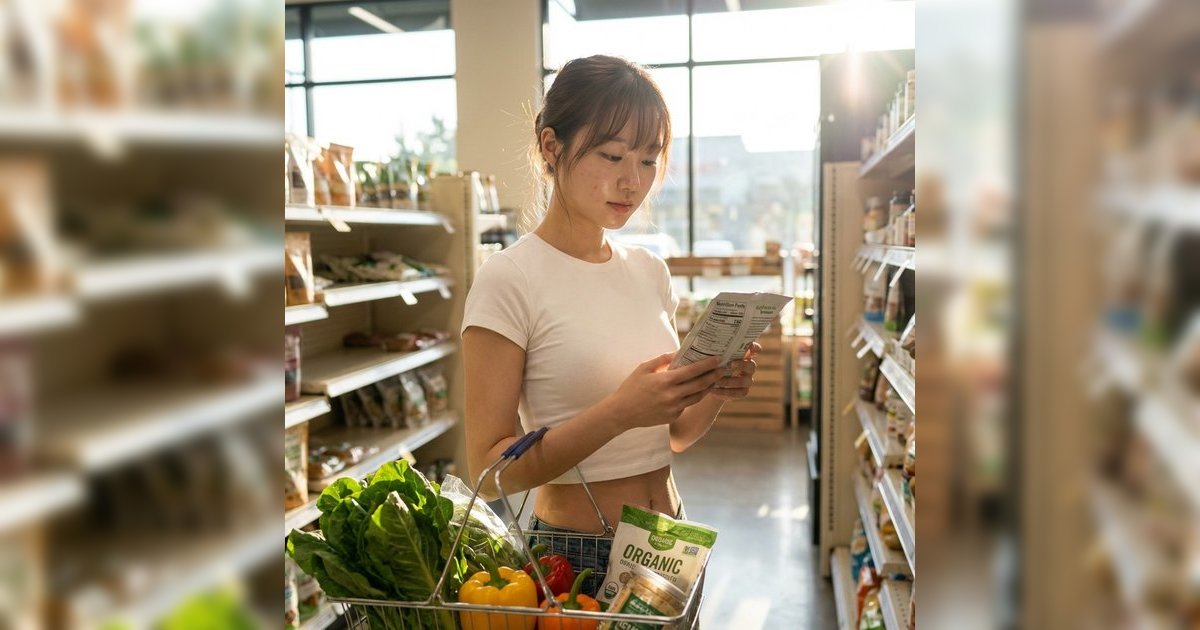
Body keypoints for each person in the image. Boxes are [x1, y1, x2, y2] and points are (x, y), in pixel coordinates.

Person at [460, 55, 762, 587]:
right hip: (578, 558)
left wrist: (715, 388)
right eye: (613, 155)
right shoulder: (509, 278)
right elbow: (489, 473)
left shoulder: (650, 272)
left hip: (670, 543)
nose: (632, 180)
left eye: (648, 160)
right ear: (552, 147)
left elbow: (675, 436)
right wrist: (620, 411)